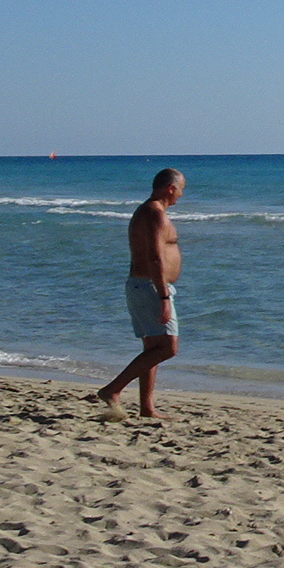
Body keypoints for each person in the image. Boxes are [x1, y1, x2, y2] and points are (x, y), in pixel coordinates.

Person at [90, 169, 184, 419]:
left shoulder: (148, 211)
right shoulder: (154, 213)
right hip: (150, 286)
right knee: (167, 348)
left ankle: (146, 407)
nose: (181, 195)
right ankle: (112, 389)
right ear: (171, 188)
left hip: (144, 285)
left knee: (152, 348)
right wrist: (164, 297)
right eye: (181, 189)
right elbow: (155, 257)